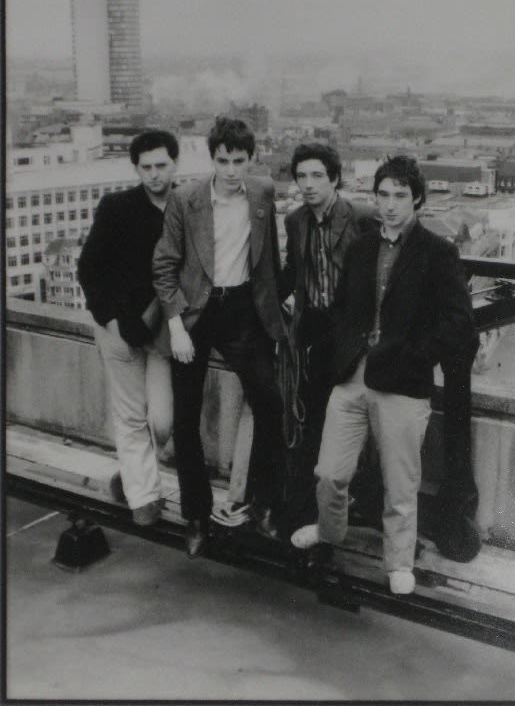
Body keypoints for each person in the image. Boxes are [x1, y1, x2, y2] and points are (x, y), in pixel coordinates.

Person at [291, 156, 478, 595]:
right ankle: (330, 531)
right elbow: (342, 309)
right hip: (352, 376)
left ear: (416, 199)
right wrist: (338, 341)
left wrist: (415, 357)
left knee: (400, 482)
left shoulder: (437, 252)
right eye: (383, 195)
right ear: (374, 198)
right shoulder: (360, 247)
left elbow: (458, 324)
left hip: (403, 384)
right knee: (330, 473)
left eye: (399, 195)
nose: (390, 205)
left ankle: (398, 561)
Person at [152, 117, 286, 558]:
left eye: (239, 161)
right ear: (212, 159)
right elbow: (165, 265)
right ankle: (195, 514)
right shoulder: (185, 200)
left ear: (252, 159)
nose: (231, 169)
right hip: (194, 314)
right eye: (223, 160)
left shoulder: (263, 193)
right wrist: (175, 326)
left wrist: (275, 309)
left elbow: (270, 260)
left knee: (270, 404)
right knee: (187, 419)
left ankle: (264, 505)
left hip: (243, 311)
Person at [78, 130, 178, 526]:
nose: (154, 175)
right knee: (130, 415)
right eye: (146, 167)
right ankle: (144, 498)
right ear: (136, 168)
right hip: (119, 327)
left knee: (163, 421)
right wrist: (111, 319)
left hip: (162, 330)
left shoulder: (186, 206)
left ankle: (132, 475)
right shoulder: (117, 207)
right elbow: (89, 267)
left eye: (161, 165)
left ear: (175, 163)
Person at [278, 143, 378, 537]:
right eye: (301, 176)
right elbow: (291, 272)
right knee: (315, 422)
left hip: (352, 334)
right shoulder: (295, 221)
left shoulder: (361, 217)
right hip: (314, 331)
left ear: (335, 178)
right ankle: (315, 515)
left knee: (355, 423)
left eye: (317, 175)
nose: (308, 184)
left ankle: (354, 505)